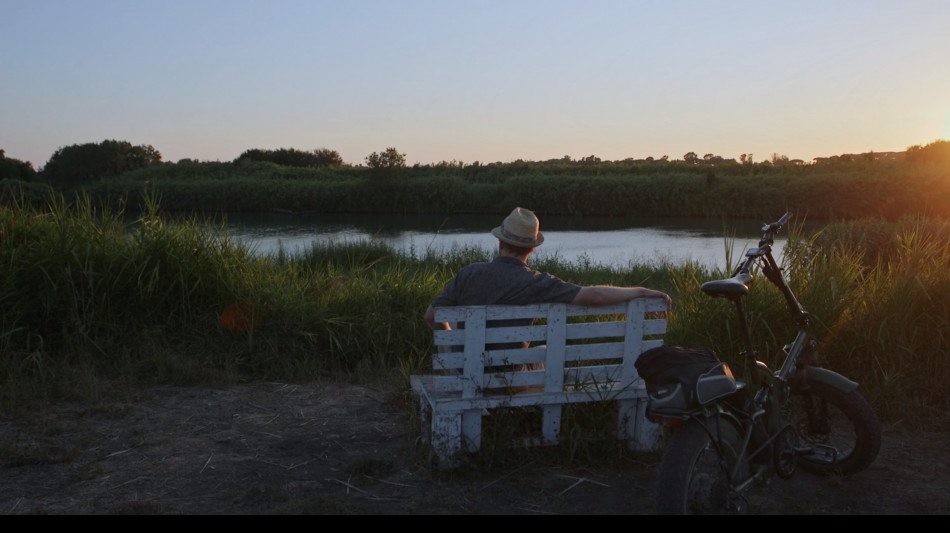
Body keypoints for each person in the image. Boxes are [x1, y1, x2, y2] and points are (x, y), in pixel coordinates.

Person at [424, 207, 672, 348]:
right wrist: (640, 291)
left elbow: (432, 316)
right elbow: (594, 296)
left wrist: (453, 341)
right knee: (540, 352)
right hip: (513, 370)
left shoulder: (469, 274)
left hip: (465, 367)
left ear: (500, 241)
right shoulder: (537, 282)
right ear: (532, 248)